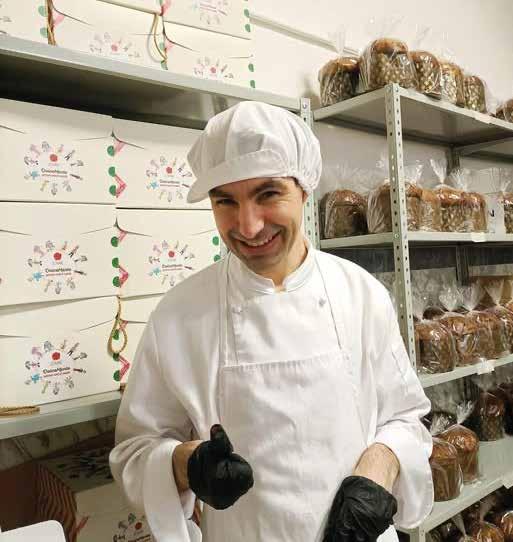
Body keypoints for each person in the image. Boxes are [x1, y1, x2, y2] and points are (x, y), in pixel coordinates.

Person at [110, 101, 433, 542]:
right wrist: (187, 464)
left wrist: (379, 470)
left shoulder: (361, 294)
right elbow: (134, 453)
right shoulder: (179, 315)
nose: (248, 226)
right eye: (225, 201)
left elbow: (407, 419)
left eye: (268, 194)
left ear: (304, 190)